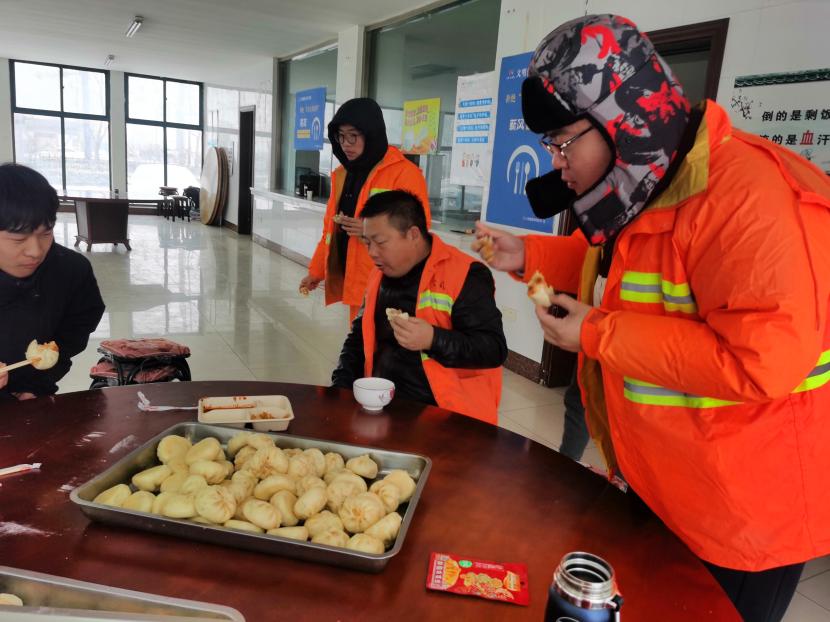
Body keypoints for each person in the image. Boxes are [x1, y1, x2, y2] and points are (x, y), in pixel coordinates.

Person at [474, 14, 830, 622]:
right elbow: (625, 274)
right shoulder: (652, 182)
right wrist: (528, 256)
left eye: (562, 142)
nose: (556, 162)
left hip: (741, 517)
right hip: (663, 485)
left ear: (619, 114)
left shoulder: (747, 199)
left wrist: (596, 333)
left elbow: (761, 362)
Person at [332, 190, 507, 424]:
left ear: (413, 234)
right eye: (367, 242)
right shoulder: (379, 274)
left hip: (447, 417)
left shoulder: (465, 274)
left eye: (380, 242)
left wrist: (433, 339)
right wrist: (340, 388)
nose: (372, 252)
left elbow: (493, 349)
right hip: (384, 407)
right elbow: (359, 337)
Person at [300, 98, 430, 322]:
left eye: (353, 136)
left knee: (385, 343)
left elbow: (419, 234)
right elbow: (330, 232)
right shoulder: (343, 175)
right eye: (341, 136)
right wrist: (316, 271)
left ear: (371, 134)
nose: (346, 144)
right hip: (357, 284)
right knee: (360, 341)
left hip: (392, 287)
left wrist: (371, 231)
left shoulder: (405, 174)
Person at [0, 163, 105, 400]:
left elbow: (76, 329)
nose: (35, 251)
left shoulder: (71, 270)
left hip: (35, 394)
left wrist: (38, 384)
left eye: (45, 233)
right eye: (18, 239)